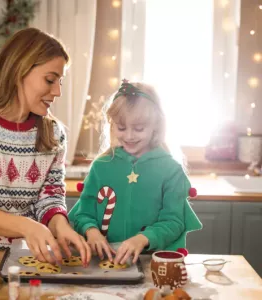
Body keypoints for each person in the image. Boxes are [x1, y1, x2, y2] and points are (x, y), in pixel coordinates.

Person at [0, 27, 91, 266]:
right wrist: (27, 227)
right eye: (50, 80)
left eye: (60, 82)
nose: (58, 91)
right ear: (19, 70)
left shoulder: (54, 134)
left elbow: (50, 198)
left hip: (28, 259)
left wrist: (61, 226)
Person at [68, 80, 202, 265]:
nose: (129, 136)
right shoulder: (101, 166)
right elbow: (83, 213)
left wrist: (143, 238)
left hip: (152, 262)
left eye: (138, 129)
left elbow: (174, 221)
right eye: (121, 128)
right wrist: (91, 231)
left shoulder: (171, 170)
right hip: (104, 262)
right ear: (112, 125)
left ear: (156, 126)